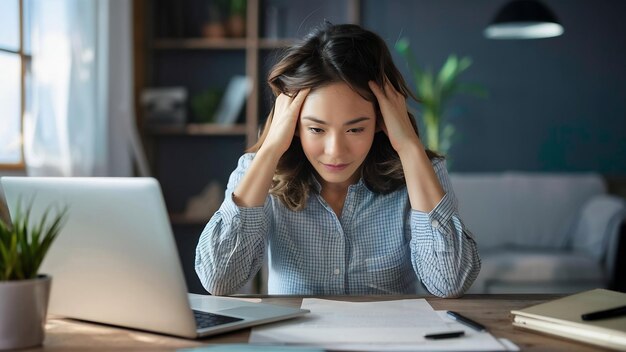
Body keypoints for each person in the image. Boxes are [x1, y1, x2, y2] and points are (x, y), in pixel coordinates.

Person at [195, 23, 480, 297]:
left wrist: (408, 145)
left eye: (355, 129)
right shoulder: (260, 171)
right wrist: (270, 149)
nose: (335, 151)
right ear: (293, 124)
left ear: (382, 121)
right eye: (316, 129)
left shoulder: (420, 171)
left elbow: (450, 282)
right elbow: (220, 279)